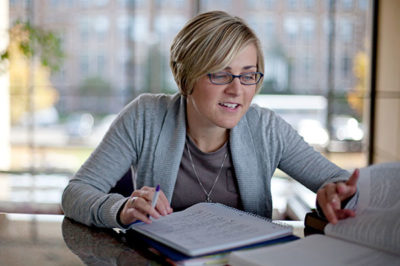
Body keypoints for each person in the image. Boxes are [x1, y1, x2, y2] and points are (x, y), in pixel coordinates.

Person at [62, 11, 358, 229]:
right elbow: (75, 193)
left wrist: (335, 194)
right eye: (220, 73)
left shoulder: (266, 128)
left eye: (248, 74)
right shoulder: (145, 117)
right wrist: (122, 208)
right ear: (187, 77)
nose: (237, 89)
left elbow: (339, 182)